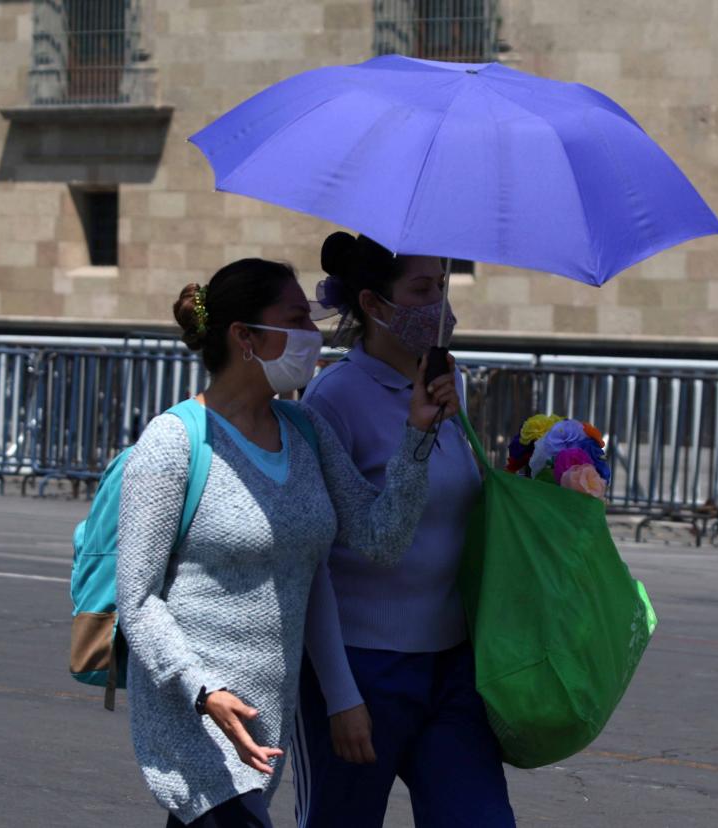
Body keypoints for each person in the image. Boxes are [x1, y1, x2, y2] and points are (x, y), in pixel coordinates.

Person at [115, 258, 459, 828]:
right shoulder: (173, 441)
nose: (312, 334)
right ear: (244, 337)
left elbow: (378, 539)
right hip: (194, 718)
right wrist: (203, 690)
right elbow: (138, 599)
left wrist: (418, 435)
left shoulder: (304, 429)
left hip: (264, 722)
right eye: (296, 319)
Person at [293, 234, 516, 827]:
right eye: (421, 290)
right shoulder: (332, 399)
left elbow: (462, 500)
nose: (439, 305)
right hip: (364, 669)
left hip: (452, 668)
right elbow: (312, 558)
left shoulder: (450, 383)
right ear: (375, 304)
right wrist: (341, 695)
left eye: (442, 286)